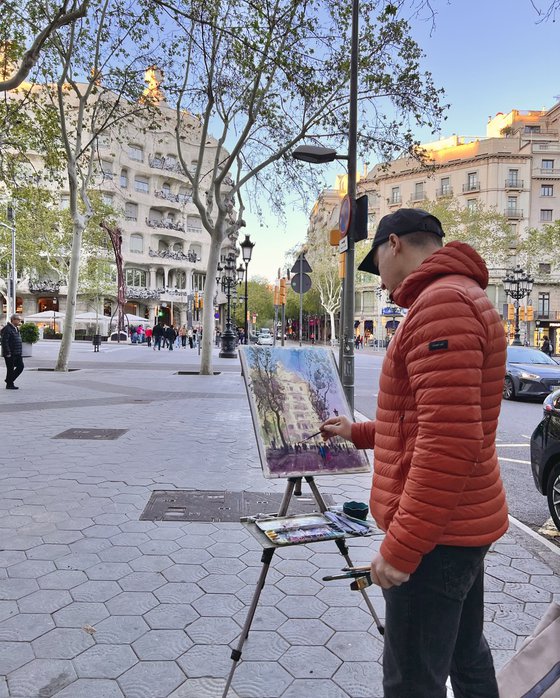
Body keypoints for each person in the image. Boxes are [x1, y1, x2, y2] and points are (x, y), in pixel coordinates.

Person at [320, 208, 508, 698]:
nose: (379, 279)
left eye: (375, 262)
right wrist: (358, 431)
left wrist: (402, 549)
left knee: (411, 680)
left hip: (437, 538)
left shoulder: (441, 304)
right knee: (466, 657)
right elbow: (424, 421)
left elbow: (449, 442)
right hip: (457, 526)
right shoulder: (460, 295)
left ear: (394, 244)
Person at [1, 313, 24, 390]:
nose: (20, 321)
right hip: (10, 353)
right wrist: (7, 353)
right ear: (13, 320)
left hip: (17, 353)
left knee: (20, 367)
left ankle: (9, 380)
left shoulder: (16, 328)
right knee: (10, 369)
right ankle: (10, 384)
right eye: (18, 320)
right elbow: (4, 341)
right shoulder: (7, 328)